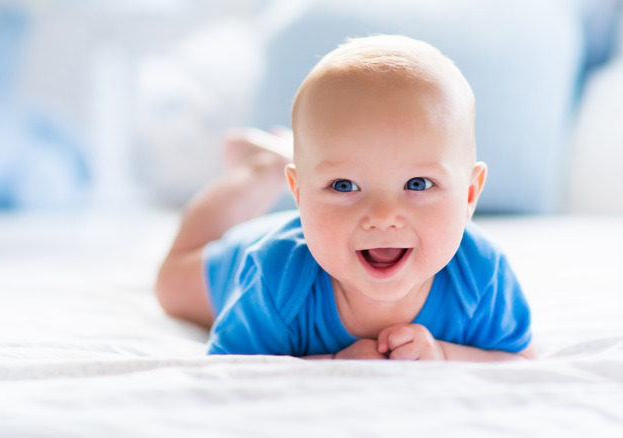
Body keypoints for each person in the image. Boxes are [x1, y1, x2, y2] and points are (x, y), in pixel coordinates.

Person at [155, 35, 535, 361]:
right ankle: (263, 170)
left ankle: (296, 160)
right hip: (241, 258)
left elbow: (518, 359)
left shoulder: (481, 275)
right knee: (170, 285)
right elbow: (230, 371)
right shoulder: (275, 277)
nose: (383, 216)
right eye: (344, 185)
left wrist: (443, 353)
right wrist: (331, 361)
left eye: (418, 184)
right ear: (300, 194)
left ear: (469, 194)